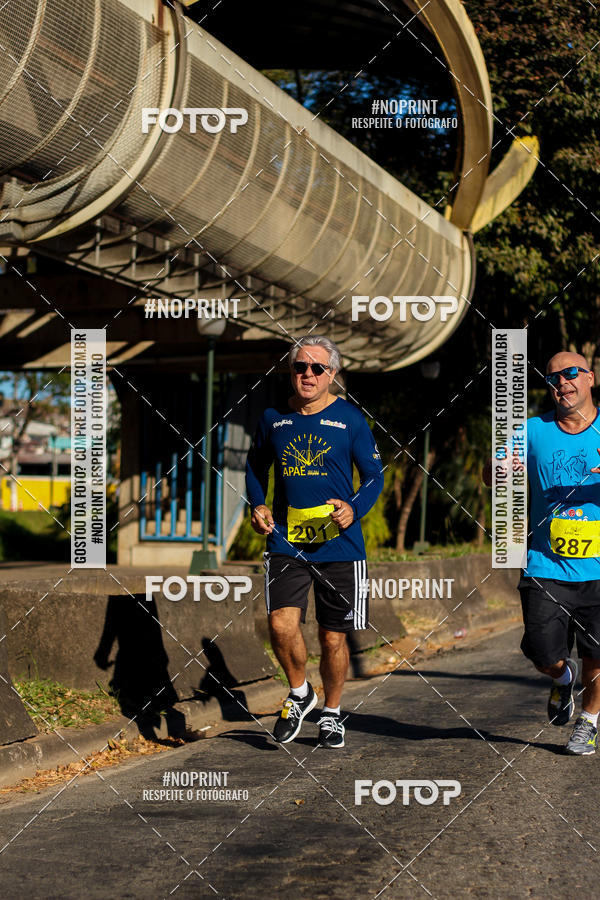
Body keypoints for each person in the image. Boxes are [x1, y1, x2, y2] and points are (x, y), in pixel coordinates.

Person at [245, 336, 384, 749]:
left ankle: (332, 712)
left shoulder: (351, 420)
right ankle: (300, 691)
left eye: (316, 369)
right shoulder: (273, 418)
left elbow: (374, 476)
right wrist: (257, 504)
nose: (307, 375)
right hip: (288, 541)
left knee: (332, 637)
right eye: (299, 367)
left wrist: (354, 508)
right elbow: (256, 466)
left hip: (340, 546)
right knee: (280, 624)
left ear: (332, 375)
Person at [484, 351, 600, 754]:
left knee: (597, 655)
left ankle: (588, 721)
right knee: (542, 649)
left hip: (598, 571)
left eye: (570, 374)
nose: (562, 383)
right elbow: (492, 475)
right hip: (544, 564)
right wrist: (498, 465)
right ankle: (560, 677)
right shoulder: (531, 430)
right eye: (553, 378)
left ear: (590, 378)